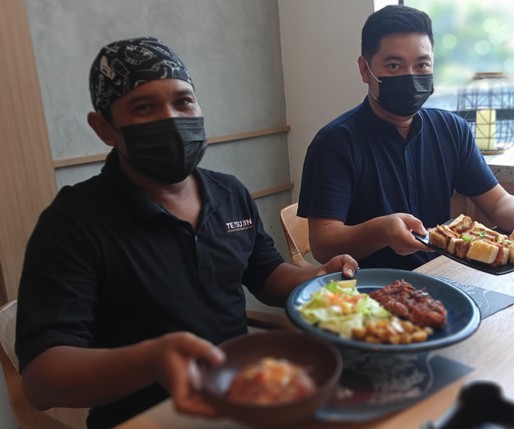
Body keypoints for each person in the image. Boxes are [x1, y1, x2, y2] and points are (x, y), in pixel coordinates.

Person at [15, 37, 358, 429]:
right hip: (146, 417)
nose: (173, 120)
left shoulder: (230, 192)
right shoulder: (72, 222)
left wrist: (316, 277)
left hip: (248, 395)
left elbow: (265, 274)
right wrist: (151, 360)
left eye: (183, 101)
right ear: (104, 128)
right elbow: (42, 380)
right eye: (144, 107)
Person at [297, 5, 514, 271]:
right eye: (394, 65)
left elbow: (498, 203)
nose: (410, 76)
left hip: (444, 276)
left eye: (421, 64)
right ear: (364, 69)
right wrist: (380, 231)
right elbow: (324, 244)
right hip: (370, 291)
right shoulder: (334, 143)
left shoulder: (452, 130)